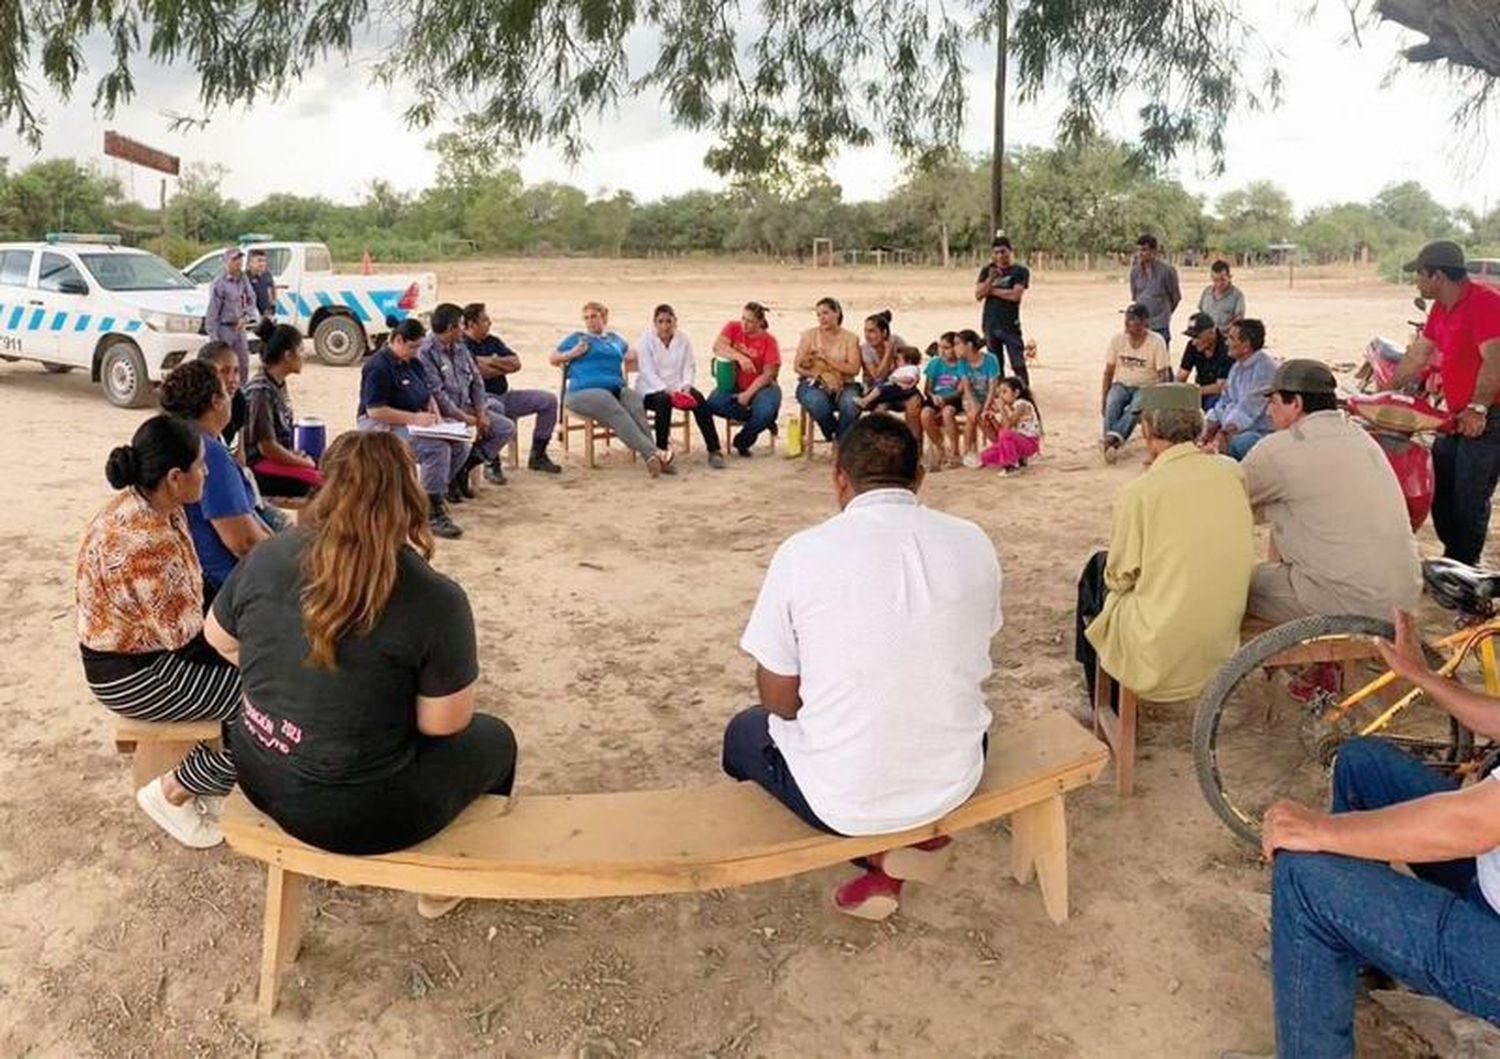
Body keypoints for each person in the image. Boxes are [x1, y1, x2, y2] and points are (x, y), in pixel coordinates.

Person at [205, 431, 517, 920]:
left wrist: (287, 669)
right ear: (409, 496)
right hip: (355, 817)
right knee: (496, 741)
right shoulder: (434, 597)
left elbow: (218, 638)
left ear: (323, 487)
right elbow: (443, 724)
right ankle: (441, 884)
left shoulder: (268, 554)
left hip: (256, 770)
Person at [721, 414, 1001, 920]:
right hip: (958, 771)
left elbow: (780, 701)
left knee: (744, 735)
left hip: (845, 797)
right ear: (920, 478)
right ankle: (897, 856)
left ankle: (874, 854)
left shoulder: (802, 554)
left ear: (839, 479)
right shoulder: (974, 541)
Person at [1240, 609, 1500, 1058]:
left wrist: (1322, 830)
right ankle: (1357, 959)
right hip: (1489, 878)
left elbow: (1472, 824)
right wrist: (1421, 676)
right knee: (1364, 763)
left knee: (1305, 878)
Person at [76, 415, 241, 849]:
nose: (207, 472)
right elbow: (190, 645)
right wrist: (259, 655)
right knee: (267, 703)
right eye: (201, 465)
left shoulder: (154, 505)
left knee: (264, 675)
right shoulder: (148, 542)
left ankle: (206, 779)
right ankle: (173, 792)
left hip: (152, 653)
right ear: (175, 477)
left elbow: (198, 589)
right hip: (132, 675)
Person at [1076, 383, 1253, 703]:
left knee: (1095, 575)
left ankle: (1104, 704)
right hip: (1220, 641)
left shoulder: (1140, 492)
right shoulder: (1232, 471)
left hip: (1161, 651)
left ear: (1147, 428)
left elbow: (1118, 577)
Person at [1242, 359, 1422, 625]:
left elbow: (1228, 500)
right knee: (1287, 508)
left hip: (1345, 600)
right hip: (1402, 598)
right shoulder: (1360, 437)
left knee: (1234, 586)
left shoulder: (1279, 449)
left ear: (1296, 404)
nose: (1269, 411)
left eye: (1274, 402)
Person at [1393, 240, 1500, 566]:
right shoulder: (1440, 308)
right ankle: (1454, 559)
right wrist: (1385, 393)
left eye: (1420, 275)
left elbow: (1495, 360)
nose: (1417, 282)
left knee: (1470, 497)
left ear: (1437, 275)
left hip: (1490, 415)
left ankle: (1465, 571)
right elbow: (1418, 355)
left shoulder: (1486, 304)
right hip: (1454, 413)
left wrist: (1478, 408)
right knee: (1438, 486)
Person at [159, 360, 272, 599]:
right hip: (223, 587)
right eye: (226, 392)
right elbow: (243, 542)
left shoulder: (179, 439)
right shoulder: (208, 453)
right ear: (216, 401)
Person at [358, 318, 469, 539]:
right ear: (398, 340)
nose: (417, 351)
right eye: (413, 346)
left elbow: (427, 395)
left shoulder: (414, 362)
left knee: (461, 445)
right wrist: (414, 418)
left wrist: (436, 417)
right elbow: (375, 411)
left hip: (414, 421)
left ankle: (428, 495)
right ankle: (429, 511)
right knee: (436, 448)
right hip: (381, 425)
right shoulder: (378, 367)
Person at [553, 301, 674, 476]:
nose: (590, 321)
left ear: (604, 317)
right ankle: (654, 453)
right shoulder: (578, 338)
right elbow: (553, 358)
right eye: (586, 318)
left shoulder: (616, 340)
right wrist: (573, 353)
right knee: (612, 406)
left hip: (616, 389)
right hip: (582, 393)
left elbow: (635, 354)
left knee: (634, 401)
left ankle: (653, 458)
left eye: (594, 316)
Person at [418, 302, 511, 502]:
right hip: (444, 413)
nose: (464, 328)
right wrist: (466, 418)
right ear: (451, 327)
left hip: (465, 406)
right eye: (461, 324)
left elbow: (476, 381)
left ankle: (464, 468)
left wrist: (481, 413)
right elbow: (438, 394)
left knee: (504, 428)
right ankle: (446, 486)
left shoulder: (460, 347)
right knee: (455, 441)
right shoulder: (426, 352)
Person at [461, 303, 562, 477]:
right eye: (485, 320)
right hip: (481, 400)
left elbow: (516, 363)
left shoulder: (493, 341)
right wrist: (500, 365)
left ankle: (538, 455)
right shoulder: (462, 345)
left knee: (548, 400)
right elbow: (477, 373)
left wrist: (491, 361)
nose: (489, 323)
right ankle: (491, 461)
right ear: (472, 324)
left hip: (505, 395)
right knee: (494, 409)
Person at [635, 303, 723, 468]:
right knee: (663, 401)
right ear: (655, 323)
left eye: (669, 321)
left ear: (675, 322)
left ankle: (714, 450)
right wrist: (665, 390)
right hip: (651, 390)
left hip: (678, 387)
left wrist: (686, 386)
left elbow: (689, 366)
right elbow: (647, 371)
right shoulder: (645, 340)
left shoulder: (683, 339)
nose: (665, 326)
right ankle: (662, 453)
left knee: (699, 400)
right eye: (661, 321)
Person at [242, 322, 322, 499]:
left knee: (327, 467)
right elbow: (267, 448)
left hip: (273, 459)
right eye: (300, 350)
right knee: (320, 482)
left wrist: (297, 456)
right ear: (287, 355)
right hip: (258, 464)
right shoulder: (260, 391)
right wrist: (302, 462)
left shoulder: (276, 383)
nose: (304, 356)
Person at [706, 301, 783, 456]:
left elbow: (768, 374)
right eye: (743, 319)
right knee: (712, 403)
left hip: (763, 387)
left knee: (765, 410)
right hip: (734, 383)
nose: (745, 324)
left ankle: (742, 441)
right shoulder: (733, 327)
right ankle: (763, 421)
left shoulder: (769, 341)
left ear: (760, 322)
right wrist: (741, 358)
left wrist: (747, 395)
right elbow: (718, 347)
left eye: (750, 321)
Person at [1100, 304, 1171, 461]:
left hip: (1146, 386)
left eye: (1134, 322)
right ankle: (1110, 440)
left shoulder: (1156, 342)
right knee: (1113, 401)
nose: (1129, 325)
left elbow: (1163, 375)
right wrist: (1104, 398)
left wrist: (1160, 402)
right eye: (1127, 321)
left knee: (1137, 405)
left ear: (1145, 323)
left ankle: (1113, 440)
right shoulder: (1117, 340)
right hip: (1122, 384)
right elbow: (1109, 371)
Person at [1199, 318, 1276, 461]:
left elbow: (1248, 410)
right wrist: (1208, 430)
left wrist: (1223, 435)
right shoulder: (1237, 367)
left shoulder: (1265, 369)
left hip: (1258, 433)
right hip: (1233, 429)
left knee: (1239, 443)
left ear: (1246, 345)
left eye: (1231, 338)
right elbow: (1224, 402)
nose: (1226, 342)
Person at [795, 297, 864, 444]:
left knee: (851, 404)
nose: (822, 318)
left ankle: (840, 441)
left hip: (845, 383)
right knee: (817, 402)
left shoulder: (850, 338)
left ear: (837, 313)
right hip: (813, 382)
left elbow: (854, 369)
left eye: (825, 313)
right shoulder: (809, 335)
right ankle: (835, 435)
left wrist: (827, 359)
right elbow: (797, 367)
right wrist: (820, 375)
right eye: (818, 315)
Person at [975, 236, 1031, 384]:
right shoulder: (988, 270)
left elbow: (1015, 295)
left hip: (1009, 324)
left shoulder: (1020, 271)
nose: (1000, 256)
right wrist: (990, 279)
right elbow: (978, 295)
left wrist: (991, 290)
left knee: (1017, 363)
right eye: (996, 253)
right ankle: (1000, 393)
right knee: (995, 364)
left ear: (1010, 251)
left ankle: (1023, 390)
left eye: (1003, 252)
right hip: (990, 323)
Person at [204, 246, 257, 381]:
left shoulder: (243, 278)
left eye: (240, 258)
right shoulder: (219, 284)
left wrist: (246, 317)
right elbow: (212, 314)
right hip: (224, 330)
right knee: (225, 368)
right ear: (227, 261)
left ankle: (243, 396)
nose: (239, 262)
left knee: (243, 365)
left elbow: (252, 299)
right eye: (235, 259)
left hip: (239, 329)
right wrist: (215, 341)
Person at [920, 334, 968, 471]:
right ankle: (940, 447)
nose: (942, 351)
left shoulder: (962, 364)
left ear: (955, 348)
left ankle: (954, 452)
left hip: (953, 398)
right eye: (941, 347)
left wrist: (945, 400)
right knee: (925, 414)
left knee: (948, 412)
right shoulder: (935, 363)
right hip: (936, 397)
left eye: (946, 347)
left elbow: (960, 390)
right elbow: (927, 389)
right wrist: (934, 396)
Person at [978, 377, 1042, 474]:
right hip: (1014, 444)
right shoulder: (1008, 407)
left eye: (1004, 392)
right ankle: (1019, 459)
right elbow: (1000, 434)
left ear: (1016, 393)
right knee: (985, 456)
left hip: (1029, 444)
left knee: (1006, 434)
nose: (1001, 396)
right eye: (999, 393)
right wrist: (993, 419)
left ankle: (1011, 466)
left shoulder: (1022, 405)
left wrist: (1001, 409)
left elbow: (1008, 427)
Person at [1129, 233, 1182, 347]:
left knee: (1160, 360)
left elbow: (1176, 297)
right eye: (1138, 250)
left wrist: (1165, 314)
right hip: (1141, 325)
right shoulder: (1134, 272)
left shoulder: (1167, 271)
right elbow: (1135, 297)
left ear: (1154, 251)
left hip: (1160, 326)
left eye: (1144, 250)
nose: (1140, 254)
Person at [856, 346, 924, 435]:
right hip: (893, 388)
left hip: (900, 390)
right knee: (879, 405)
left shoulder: (910, 368)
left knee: (881, 389)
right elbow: (877, 376)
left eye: (898, 360)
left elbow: (910, 379)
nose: (896, 362)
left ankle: (866, 400)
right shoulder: (867, 349)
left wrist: (897, 380)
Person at [958, 327, 1002, 458]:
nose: (956, 348)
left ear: (969, 345)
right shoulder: (962, 362)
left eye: (958, 344)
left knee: (987, 416)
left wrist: (986, 406)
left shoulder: (990, 359)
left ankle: (1000, 445)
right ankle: (968, 451)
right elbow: (967, 387)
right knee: (975, 414)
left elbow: (993, 386)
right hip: (971, 397)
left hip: (990, 397)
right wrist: (974, 404)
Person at [1176, 312, 1233, 411]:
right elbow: (1181, 376)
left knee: (1213, 404)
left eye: (1197, 337)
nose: (1194, 342)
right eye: (1192, 337)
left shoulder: (1226, 349)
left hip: (1221, 395)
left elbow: (1221, 387)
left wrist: (1194, 391)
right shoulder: (1192, 346)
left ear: (1212, 332)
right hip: (1200, 390)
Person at [859, 310, 910, 387]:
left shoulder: (897, 341)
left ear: (884, 332)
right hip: (874, 387)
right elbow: (878, 377)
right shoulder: (865, 348)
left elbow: (910, 367)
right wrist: (888, 352)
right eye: (865, 331)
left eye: (871, 331)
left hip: (898, 383)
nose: (867, 335)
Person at [1198, 259, 1245, 330]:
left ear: (1229, 277)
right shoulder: (1206, 292)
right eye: (1215, 280)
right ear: (1211, 277)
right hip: (1206, 336)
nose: (1219, 284)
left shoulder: (1237, 296)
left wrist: (1220, 333)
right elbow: (1201, 314)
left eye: (1223, 280)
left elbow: (1238, 321)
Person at [247, 248, 276, 327]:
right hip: (251, 317)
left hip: (266, 316)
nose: (262, 263)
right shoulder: (245, 277)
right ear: (251, 263)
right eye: (259, 261)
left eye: (264, 261)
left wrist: (272, 310)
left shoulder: (267, 275)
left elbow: (271, 294)